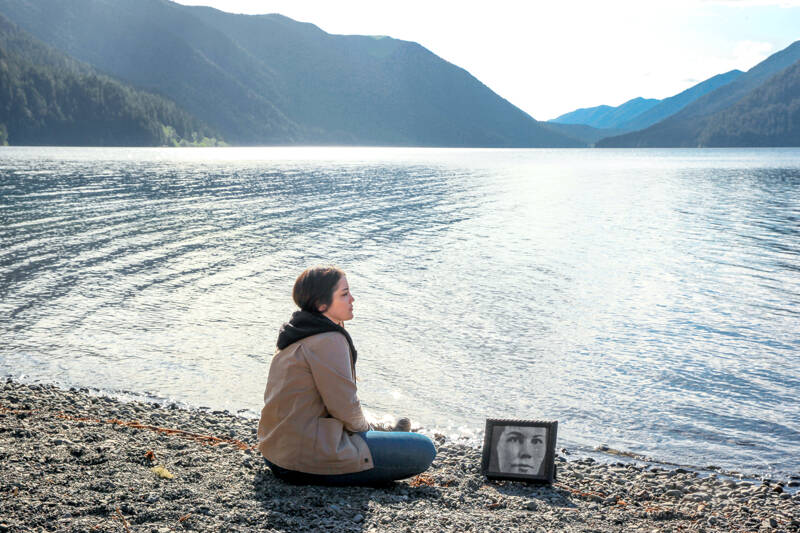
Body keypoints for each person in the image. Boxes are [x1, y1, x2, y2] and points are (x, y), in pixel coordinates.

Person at [257, 266, 436, 485]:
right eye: (344, 294)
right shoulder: (329, 340)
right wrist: (367, 433)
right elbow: (345, 408)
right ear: (321, 305)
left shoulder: (298, 331)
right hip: (302, 461)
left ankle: (383, 429)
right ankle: (379, 431)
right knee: (424, 448)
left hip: (276, 451)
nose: (352, 299)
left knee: (365, 421)